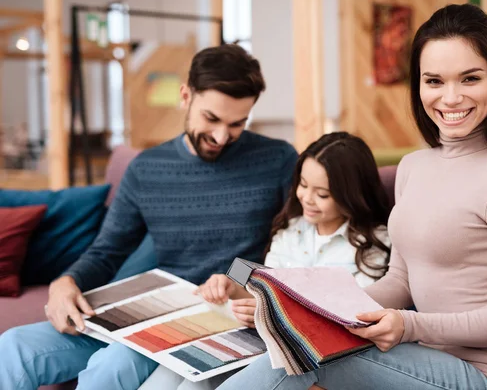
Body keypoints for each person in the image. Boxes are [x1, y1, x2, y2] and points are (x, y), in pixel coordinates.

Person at [217, 3, 487, 390]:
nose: (451, 97)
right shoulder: (413, 167)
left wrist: (410, 324)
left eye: (470, 79)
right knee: (299, 340)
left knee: (306, 358)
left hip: (481, 375)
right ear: (419, 86)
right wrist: (317, 308)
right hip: (416, 360)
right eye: (434, 81)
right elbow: (401, 281)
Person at [0, 44, 298, 390]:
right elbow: (107, 250)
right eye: (211, 119)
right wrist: (66, 281)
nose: (221, 137)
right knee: (13, 347)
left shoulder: (277, 160)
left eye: (237, 123)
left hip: (224, 316)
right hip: (156, 310)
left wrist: (239, 278)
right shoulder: (147, 169)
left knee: (113, 363)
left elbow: (291, 254)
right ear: (186, 96)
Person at [144, 131, 393, 389]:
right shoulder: (290, 229)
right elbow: (266, 284)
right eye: (303, 185)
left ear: (352, 194)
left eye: (322, 194)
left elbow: (356, 318)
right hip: (261, 343)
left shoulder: (373, 245)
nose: (306, 198)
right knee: (178, 371)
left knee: (195, 383)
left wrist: (272, 315)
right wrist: (234, 287)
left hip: (316, 358)